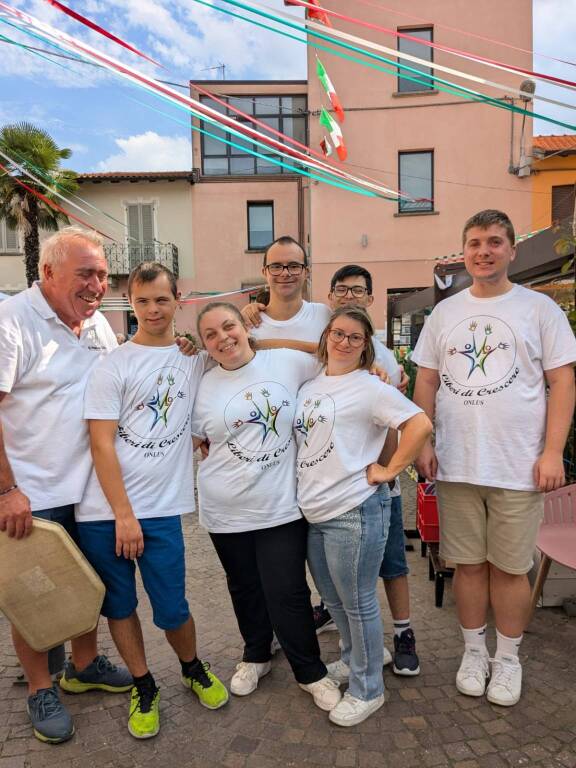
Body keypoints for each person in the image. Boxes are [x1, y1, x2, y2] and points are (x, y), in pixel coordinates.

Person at [412, 209, 576, 707]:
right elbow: (426, 381)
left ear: (511, 250)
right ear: (464, 252)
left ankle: (507, 659)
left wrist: (552, 452)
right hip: (459, 464)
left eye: (495, 242)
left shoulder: (539, 309)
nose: (484, 251)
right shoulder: (445, 313)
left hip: (517, 465)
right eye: (476, 242)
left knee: (508, 568)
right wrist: (423, 442)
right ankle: (473, 652)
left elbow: (562, 381)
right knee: (467, 566)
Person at [76, 263, 228, 740]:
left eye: (161, 300)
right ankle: (144, 684)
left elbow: (253, 342)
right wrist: (123, 515)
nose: (152, 309)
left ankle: (191, 666)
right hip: (106, 513)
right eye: (142, 302)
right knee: (119, 607)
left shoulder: (194, 358)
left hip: (162, 510)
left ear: (177, 299)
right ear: (131, 304)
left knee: (172, 606)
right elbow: (101, 444)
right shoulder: (112, 365)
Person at [0, 227, 133, 744]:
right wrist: (6, 491)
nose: (97, 285)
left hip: (91, 492)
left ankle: (83, 666)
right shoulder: (12, 321)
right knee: (33, 596)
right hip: (30, 498)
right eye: (86, 274)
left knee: (85, 586)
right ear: (48, 273)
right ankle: (40, 687)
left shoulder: (97, 324)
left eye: (101, 274)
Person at [192, 302, 342, 713]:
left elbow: (335, 366)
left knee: (288, 591)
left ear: (245, 327)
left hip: (281, 506)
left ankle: (310, 671)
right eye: (211, 335)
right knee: (243, 587)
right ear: (204, 345)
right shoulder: (202, 385)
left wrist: (376, 374)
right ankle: (256, 653)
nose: (223, 338)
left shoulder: (288, 364)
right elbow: (191, 439)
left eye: (229, 327)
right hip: (224, 507)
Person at [295, 306, 431, 726]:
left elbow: (419, 423)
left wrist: (390, 471)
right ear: (326, 336)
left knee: (358, 604)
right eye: (338, 333)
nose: (345, 342)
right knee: (334, 600)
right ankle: (357, 658)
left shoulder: (370, 387)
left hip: (354, 510)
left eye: (355, 337)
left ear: (365, 344)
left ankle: (368, 687)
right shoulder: (311, 385)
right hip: (315, 512)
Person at [316, 265, 420, 676]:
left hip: (377, 488)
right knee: (341, 575)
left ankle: (403, 632)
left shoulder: (386, 358)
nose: (348, 297)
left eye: (357, 291)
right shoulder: (325, 347)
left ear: (370, 299)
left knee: (393, 565)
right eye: (341, 290)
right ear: (331, 297)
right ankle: (350, 640)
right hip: (335, 485)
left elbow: (401, 421)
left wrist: (388, 470)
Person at [242, 235, 332, 345]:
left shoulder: (323, 315)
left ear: (306, 272)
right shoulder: (248, 324)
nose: (285, 273)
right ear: (265, 272)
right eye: (276, 266)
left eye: (294, 266)